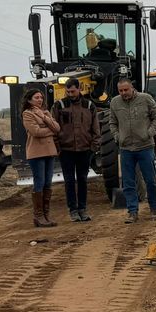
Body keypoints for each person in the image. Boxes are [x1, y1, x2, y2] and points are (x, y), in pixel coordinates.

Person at [108, 76, 156, 223]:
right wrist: (118, 137)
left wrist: (149, 133)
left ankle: (154, 209)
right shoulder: (115, 102)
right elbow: (112, 122)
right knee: (128, 182)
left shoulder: (145, 99)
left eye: (126, 89)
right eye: (121, 90)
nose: (123, 93)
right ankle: (132, 212)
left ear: (132, 88)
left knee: (150, 180)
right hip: (126, 149)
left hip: (145, 147)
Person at [52, 79, 99, 222]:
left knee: (83, 180)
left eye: (73, 91)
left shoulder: (89, 106)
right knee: (69, 181)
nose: (70, 94)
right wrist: (58, 147)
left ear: (79, 89)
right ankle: (73, 210)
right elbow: (53, 127)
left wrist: (94, 147)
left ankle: (83, 209)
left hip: (84, 150)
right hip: (66, 150)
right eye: (68, 91)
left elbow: (96, 128)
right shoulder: (59, 106)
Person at [21, 88, 60, 227]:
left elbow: (58, 127)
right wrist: (50, 130)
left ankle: (45, 215)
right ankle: (38, 216)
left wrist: (44, 118)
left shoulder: (45, 112)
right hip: (36, 153)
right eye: (36, 97)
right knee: (40, 182)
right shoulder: (27, 114)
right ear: (29, 99)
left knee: (48, 183)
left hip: (49, 151)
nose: (40, 100)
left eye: (41, 97)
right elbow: (35, 131)